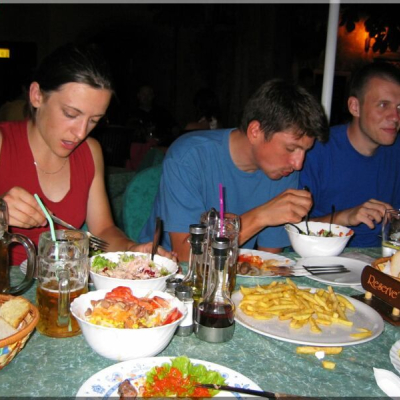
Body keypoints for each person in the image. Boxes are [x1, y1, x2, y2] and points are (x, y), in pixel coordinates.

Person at [0, 42, 174, 266]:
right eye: (71, 114)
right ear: (36, 96)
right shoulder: (3, 143)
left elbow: (103, 230)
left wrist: (131, 249)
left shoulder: (90, 151)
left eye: (94, 120)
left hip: (64, 281)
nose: (81, 133)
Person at [139, 78, 329, 261]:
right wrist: (261, 216)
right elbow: (185, 256)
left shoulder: (284, 171)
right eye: (291, 148)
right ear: (255, 131)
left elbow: (270, 259)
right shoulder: (189, 157)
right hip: (166, 271)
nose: (298, 164)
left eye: (305, 151)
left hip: (229, 269)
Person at [299, 62, 400, 248]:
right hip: (319, 256)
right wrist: (344, 217)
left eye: (399, 107)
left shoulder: (396, 152)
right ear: (355, 107)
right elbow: (291, 229)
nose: (395, 117)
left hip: (381, 257)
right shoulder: (314, 150)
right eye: (383, 105)